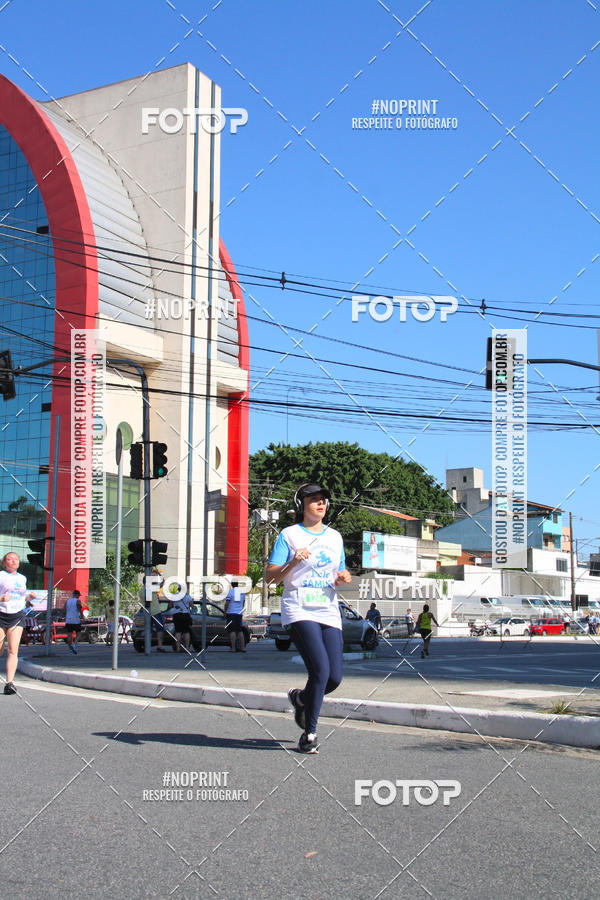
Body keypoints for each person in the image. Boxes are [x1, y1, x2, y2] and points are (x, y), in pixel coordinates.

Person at [266, 482, 351, 754]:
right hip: (299, 607)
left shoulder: (335, 537)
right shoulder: (289, 536)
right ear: (301, 506)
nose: (321, 504)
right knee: (320, 670)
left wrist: (344, 578)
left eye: (324, 499)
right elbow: (270, 577)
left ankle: (301, 698)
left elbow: (341, 572)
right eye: (314, 500)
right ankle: (310, 734)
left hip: (327, 607)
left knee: (334, 678)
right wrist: (293, 563)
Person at [0, 552, 36, 694]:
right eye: (10, 559)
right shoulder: (1, 575)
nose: (13, 561)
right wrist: (1, 598)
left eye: (16, 559)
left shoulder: (22, 578)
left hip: (17, 615)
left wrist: (29, 597)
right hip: (1, 613)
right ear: (4, 563)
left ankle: (9, 683)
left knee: (13, 649)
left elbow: (22, 597)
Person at [224, 581, 246, 653]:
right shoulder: (242, 593)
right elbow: (243, 603)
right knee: (240, 631)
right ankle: (243, 648)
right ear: (237, 584)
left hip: (231, 613)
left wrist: (225, 612)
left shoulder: (231, 592)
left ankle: (233, 648)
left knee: (232, 631)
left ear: (232, 585)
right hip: (239, 614)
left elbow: (227, 603)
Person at [172, 587, 193, 653]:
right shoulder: (187, 596)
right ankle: (187, 648)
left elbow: (170, 605)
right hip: (185, 614)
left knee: (178, 632)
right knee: (186, 632)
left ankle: (178, 648)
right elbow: (191, 605)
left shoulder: (174, 595)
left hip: (177, 615)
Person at [64, 589, 83, 654]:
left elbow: (63, 610)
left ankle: (70, 649)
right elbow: (79, 608)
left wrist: (67, 614)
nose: (79, 597)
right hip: (76, 620)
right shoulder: (78, 601)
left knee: (69, 635)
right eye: (78, 595)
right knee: (79, 633)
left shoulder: (67, 601)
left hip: (68, 620)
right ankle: (74, 644)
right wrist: (82, 616)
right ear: (77, 595)